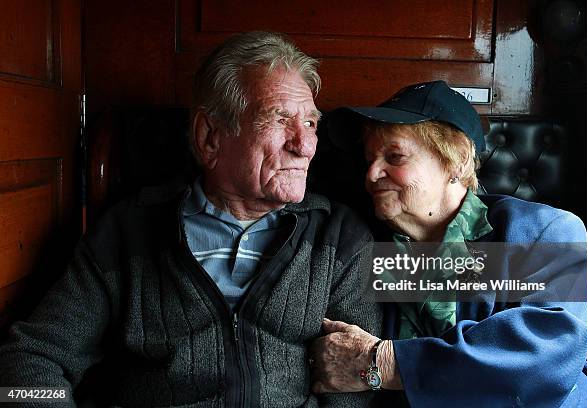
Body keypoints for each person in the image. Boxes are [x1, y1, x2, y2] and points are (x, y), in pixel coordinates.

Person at [0, 31, 381, 407]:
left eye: (311, 123)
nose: (305, 145)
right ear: (210, 136)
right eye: (280, 119)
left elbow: (358, 388)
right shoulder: (128, 232)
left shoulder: (339, 237)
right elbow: (27, 362)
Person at [310, 80, 587, 407]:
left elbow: (547, 355)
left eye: (394, 156)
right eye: (368, 159)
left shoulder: (546, 229)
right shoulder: (362, 244)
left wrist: (383, 362)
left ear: (457, 162)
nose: (371, 174)